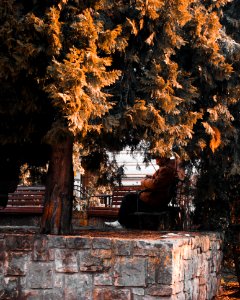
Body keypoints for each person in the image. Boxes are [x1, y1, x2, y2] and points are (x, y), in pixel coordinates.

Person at [105, 156, 184, 229]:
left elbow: (155, 184)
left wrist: (144, 181)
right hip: (155, 202)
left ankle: (121, 223)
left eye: (157, 158)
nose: (155, 160)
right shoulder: (167, 169)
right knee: (131, 200)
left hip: (153, 204)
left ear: (163, 158)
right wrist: (151, 178)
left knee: (128, 198)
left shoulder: (166, 170)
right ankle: (125, 224)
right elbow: (159, 182)